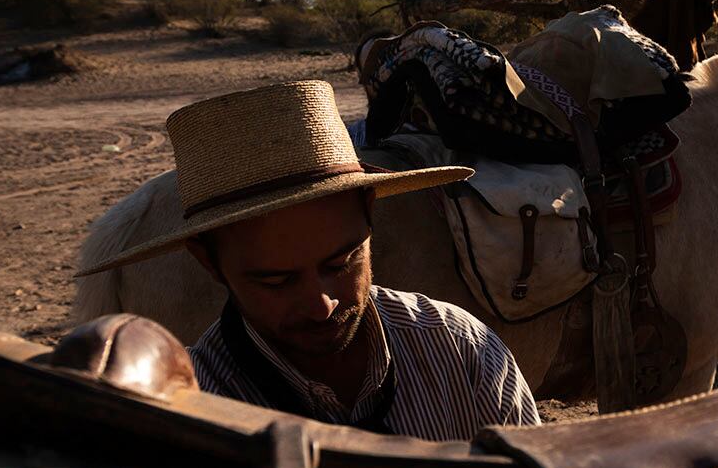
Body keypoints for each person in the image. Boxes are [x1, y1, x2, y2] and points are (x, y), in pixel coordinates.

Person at [78, 80, 540, 440]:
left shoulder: (462, 350)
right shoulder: (192, 409)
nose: (322, 305)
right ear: (209, 263)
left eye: (342, 264)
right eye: (276, 282)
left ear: (369, 219)